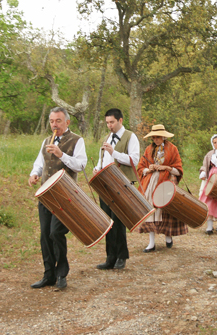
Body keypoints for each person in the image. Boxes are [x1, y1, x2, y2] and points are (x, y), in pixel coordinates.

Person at [28, 107, 87, 289]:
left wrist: (62, 154)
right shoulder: (46, 140)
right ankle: (49, 275)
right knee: (45, 235)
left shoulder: (77, 141)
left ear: (67, 122)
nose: (54, 124)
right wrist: (34, 174)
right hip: (46, 195)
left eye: (58, 121)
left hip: (65, 195)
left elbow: (81, 165)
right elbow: (40, 162)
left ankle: (62, 274)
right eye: (52, 121)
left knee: (56, 233)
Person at [93, 108, 140, 271]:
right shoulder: (108, 137)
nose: (109, 125)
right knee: (108, 221)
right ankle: (110, 257)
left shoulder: (130, 136)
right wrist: (97, 168)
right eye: (107, 123)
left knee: (118, 221)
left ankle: (121, 256)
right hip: (105, 184)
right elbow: (104, 159)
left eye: (112, 122)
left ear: (120, 120)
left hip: (122, 184)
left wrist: (115, 153)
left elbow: (134, 160)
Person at [137, 124, 185, 251]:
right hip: (151, 182)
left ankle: (168, 236)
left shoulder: (172, 149)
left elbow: (179, 169)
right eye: (153, 137)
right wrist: (149, 168)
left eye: (158, 137)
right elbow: (141, 167)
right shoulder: (148, 149)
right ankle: (151, 243)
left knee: (166, 209)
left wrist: (166, 168)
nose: (156, 140)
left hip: (167, 181)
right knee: (150, 209)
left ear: (163, 136)